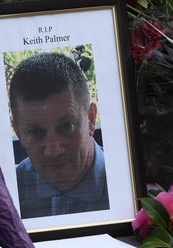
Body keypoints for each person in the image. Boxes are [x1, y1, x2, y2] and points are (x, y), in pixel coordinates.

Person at [8, 51, 109, 219]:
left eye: (66, 126)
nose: (53, 150)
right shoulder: (6, 193)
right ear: (18, 132)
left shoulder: (128, 187)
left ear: (91, 120)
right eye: (35, 132)